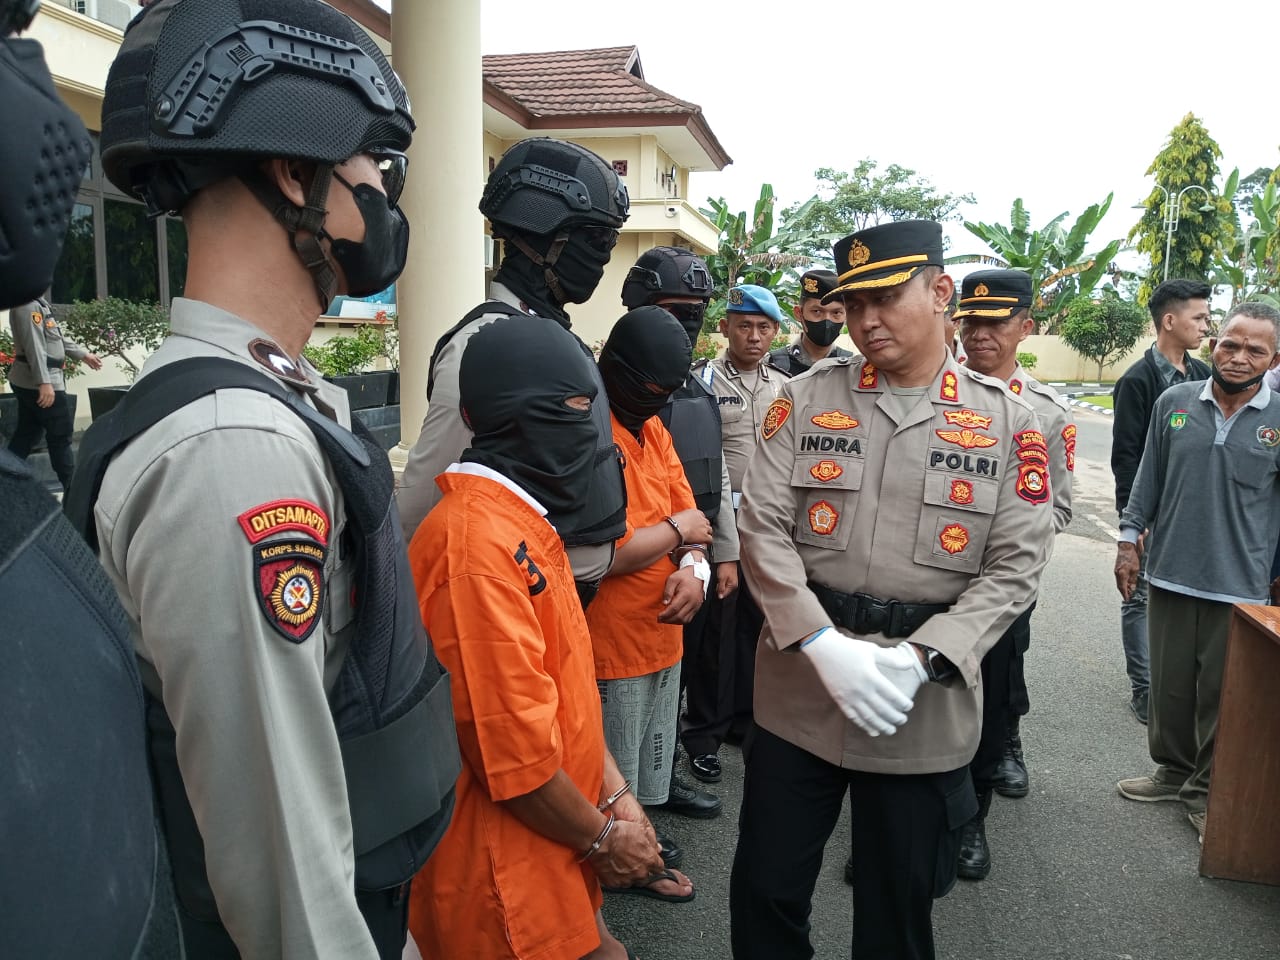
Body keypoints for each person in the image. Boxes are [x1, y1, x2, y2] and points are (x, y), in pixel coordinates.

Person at [69, 2, 460, 955]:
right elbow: (276, 842)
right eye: (377, 167)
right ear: (296, 170)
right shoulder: (233, 448)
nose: (385, 199)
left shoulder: (274, 399)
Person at [730, 220, 1052, 960]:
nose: (866, 320)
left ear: (941, 292)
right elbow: (762, 527)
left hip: (921, 703)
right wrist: (815, 639)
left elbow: (1015, 566)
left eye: (886, 298)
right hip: (802, 686)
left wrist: (920, 659)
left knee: (897, 908)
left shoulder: (1008, 423)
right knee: (766, 891)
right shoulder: (804, 401)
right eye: (853, 303)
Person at [407, 315, 665, 960]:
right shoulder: (473, 548)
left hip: (555, 845)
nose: (586, 429)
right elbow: (515, 764)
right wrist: (604, 839)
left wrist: (616, 796)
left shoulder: (523, 523)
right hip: (504, 881)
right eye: (570, 410)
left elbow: (564, 697)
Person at [396, 137, 630, 615]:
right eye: (595, 241)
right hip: (513, 604)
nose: (603, 257)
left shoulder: (546, 333)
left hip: (563, 598)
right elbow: (427, 493)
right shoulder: (488, 345)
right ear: (544, 239)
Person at [1114, 302, 1280, 843]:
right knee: (1170, 690)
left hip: (1241, 585)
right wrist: (1127, 544)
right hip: (1169, 573)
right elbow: (1148, 481)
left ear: (1273, 358)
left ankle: (1208, 792)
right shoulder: (1175, 403)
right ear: (1215, 344)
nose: (1239, 356)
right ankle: (1173, 770)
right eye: (1231, 342)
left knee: (1222, 698)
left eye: (1256, 349)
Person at [586, 304, 709, 903]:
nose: (657, 402)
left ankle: (643, 839)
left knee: (651, 764)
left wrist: (695, 567)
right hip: (613, 638)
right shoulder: (589, 429)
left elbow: (692, 514)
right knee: (611, 773)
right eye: (648, 391)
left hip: (666, 627)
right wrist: (679, 530)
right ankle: (621, 858)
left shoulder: (652, 427)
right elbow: (608, 551)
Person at [953, 268, 1073, 879]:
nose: (979, 336)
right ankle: (901, 828)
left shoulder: (1045, 413)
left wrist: (997, 539)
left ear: (1026, 327)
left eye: (995, 323)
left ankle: (972, 822)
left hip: (999, 589)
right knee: (919, 703)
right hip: (926, 583)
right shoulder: (929, 392)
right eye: (970, 322)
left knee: (992, 703)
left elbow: (1060, 506)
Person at [621, 245, 736, 811]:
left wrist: (713, 559)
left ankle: (660, 779)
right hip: (629, 579)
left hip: (694, 563)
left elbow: (718, 481)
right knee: (624, 703)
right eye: (675, 309)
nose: (688, 323)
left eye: (698, 311)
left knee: (678, 682)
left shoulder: (696, 389)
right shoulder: (619, 389)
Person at [690, 283, 789, 754]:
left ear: (775, 333)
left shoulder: (784, 387)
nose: (753, 335)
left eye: (763, 327)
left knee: (756, 625)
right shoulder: (704, 381)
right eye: (744, 325)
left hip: (769, 524)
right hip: (719, 523)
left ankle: (744, 720)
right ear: (725, 326)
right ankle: (705, 727)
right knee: (716, 628)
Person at [1110, 279, 1212, 724]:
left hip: (1194, 515)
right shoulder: (1138, 381)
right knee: (1140, 598)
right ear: (1169, 321)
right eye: (1199, 318)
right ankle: (1144, 688)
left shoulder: (1205, 376)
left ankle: (1180, 683)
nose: (1207, 326)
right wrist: (1133, 527)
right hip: (1153, 515)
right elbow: (1127, 457)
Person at [6, 296, 102, 490]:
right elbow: (34, 346)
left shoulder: (38, 302)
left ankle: (6, 481)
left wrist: (83, 355)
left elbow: (54, 337)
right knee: (61, 434)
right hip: (41, 382)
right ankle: (73, 490)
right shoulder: (27, 304)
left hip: (38, 380)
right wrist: (44, 382)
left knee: (26, 434)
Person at [768, 268, 855, 375]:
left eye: (836, 313)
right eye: (817, 311)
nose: (827, 321)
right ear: (799, 313)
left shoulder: (852, 367)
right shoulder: (773, 365)